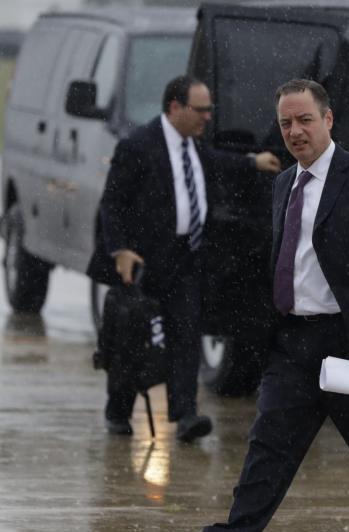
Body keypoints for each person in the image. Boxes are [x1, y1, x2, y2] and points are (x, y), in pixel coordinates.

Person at [166, 79, 349, 532]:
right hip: (293, 340)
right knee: (269, 447)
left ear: (328, 120)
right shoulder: (283, 183)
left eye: (305, 120)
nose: (295, 131)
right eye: (286, 123)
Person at [87, 75, 281, 441]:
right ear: (175, 107)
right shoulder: (138, 146)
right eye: (201, 109)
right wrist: (119, 250)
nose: (208, 117)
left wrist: (253, 162)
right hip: (144, 262)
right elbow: (112, 203)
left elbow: (214, 161)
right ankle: (118, 410)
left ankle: (185, 415)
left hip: (185, 259)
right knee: (134, 338)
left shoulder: (194, 145)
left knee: (186, 335)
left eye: (210, 109)